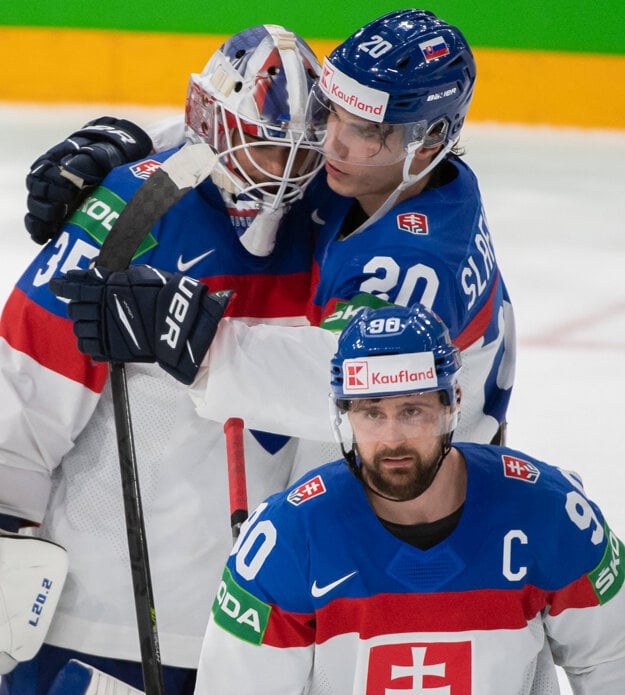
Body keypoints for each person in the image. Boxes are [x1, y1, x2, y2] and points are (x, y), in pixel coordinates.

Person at [0, 24, 328, 693]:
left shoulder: (334, 223)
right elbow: (23, 391)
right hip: (94, 623)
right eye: (269, 146)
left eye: (303, 153)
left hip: (256, 633)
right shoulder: (134, 207)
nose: (289, 172)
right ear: (216, 119)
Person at [46, 10, 515, 448]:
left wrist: (192, 337)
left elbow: (354, 387)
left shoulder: (419, 260)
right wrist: (136, 142)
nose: (332, 145)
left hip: (416, 491)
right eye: (330, 112)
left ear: (431, 138)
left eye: (368, 131)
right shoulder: (394, 178)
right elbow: (258, 126)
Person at [190, 302, 625, 694]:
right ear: (344, 415)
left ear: (453, 403)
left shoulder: (550, 512)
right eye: (372, 413)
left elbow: (613, 662)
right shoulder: (286, 539)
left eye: (412, 411)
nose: (392, 438)